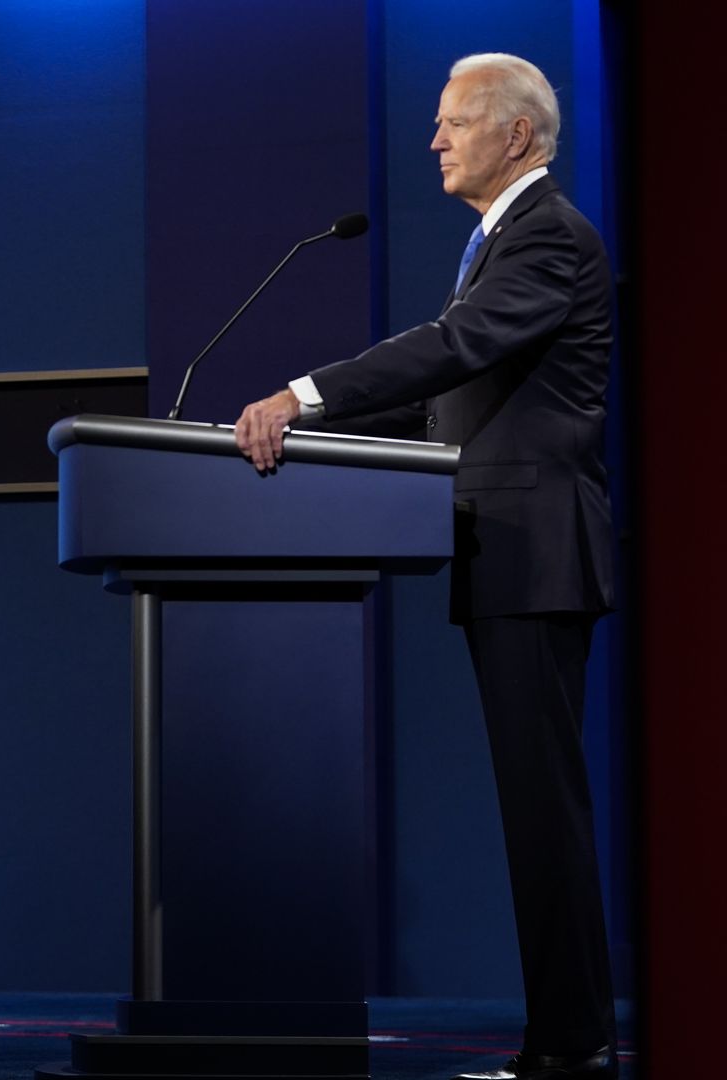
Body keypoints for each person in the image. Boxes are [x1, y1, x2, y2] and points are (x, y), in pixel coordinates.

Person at [233, 53, 617, 1080]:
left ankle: (573, 1049)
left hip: (538, 555)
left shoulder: (548, 238)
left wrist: (304, 396)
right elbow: (448, 403)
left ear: (517, 136)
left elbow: (455, 346)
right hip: (507, 556)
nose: (435, 140)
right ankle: (566, 1043)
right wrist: (306, 434)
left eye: (454, 122)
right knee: (534, 815)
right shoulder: (502, 243)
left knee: (545, 814)